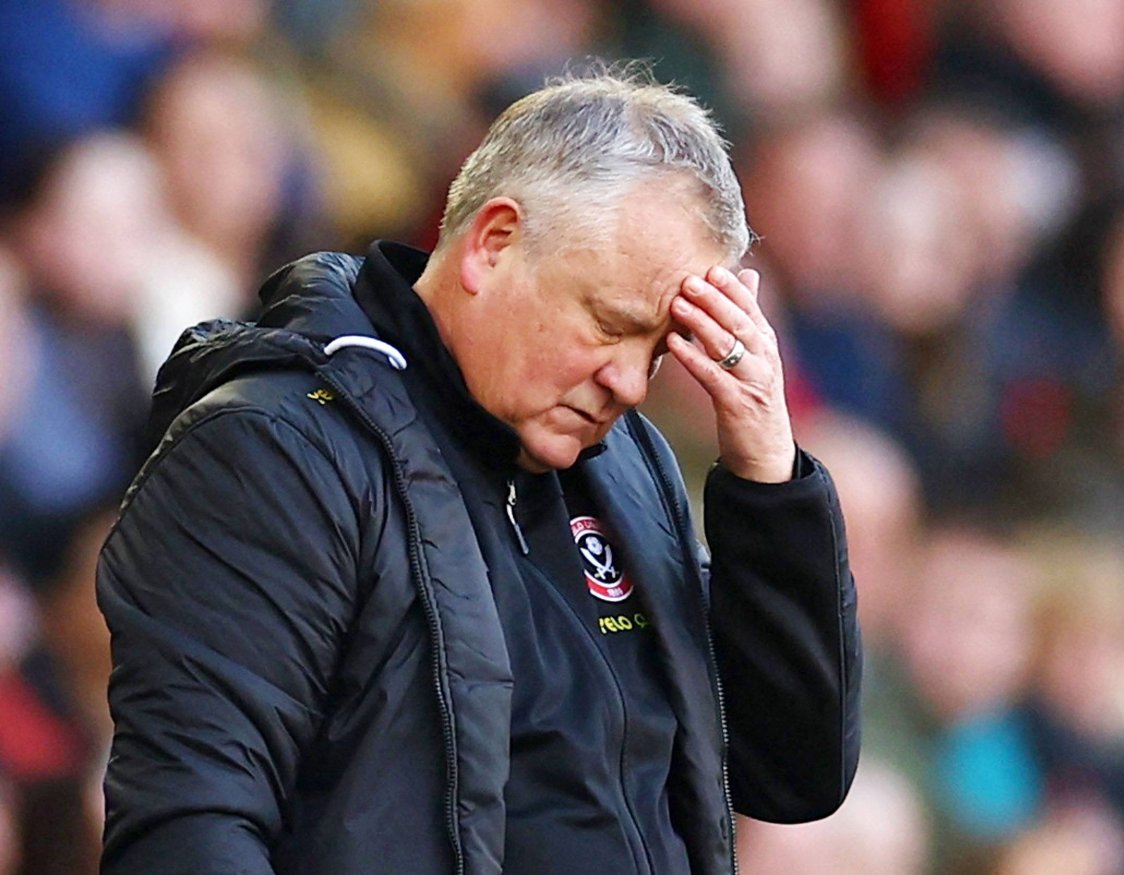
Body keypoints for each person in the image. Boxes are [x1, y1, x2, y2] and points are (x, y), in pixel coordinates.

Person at [97, 69, 861, 875]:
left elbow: (791, 772)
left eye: (660, 350)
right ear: (493, 243)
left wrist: (769, 480)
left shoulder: (629, 462)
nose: (631, 384)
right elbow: (192, 827)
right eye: (610, 324)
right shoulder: (275, 448)